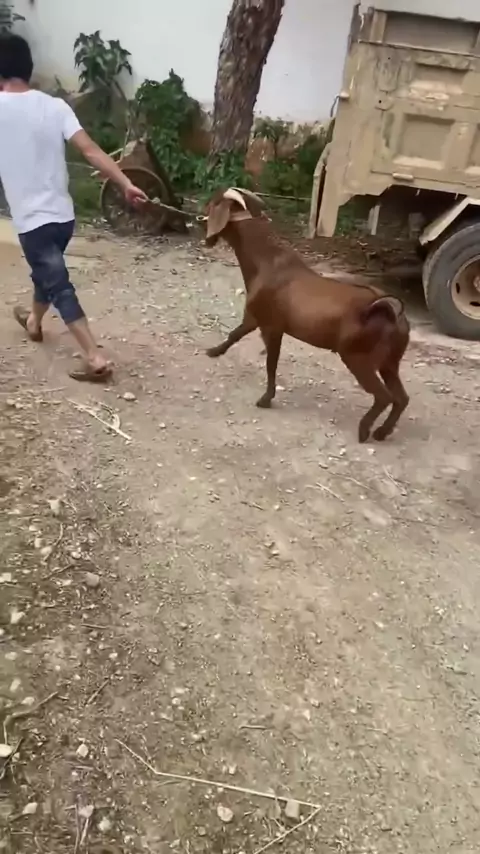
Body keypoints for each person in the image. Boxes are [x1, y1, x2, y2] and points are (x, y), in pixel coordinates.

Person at [0, 33, 148, 382]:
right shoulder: (56, 107)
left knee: (58, 283)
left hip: (33, 222)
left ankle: (94, 357)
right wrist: (125, 183)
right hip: (64, 219)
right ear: (28, 67)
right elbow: (91, 151)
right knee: (47, 274)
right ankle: (34, 322)